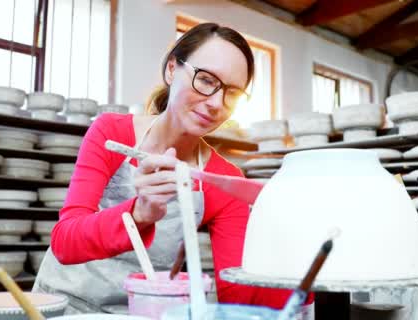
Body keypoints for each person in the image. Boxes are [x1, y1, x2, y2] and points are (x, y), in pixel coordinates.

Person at [33, 22, 297, 314]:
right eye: (207, 80)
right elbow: (65, 242)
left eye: (232, 93)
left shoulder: (223, 179)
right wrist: (137, 214)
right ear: (172, 69)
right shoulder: (111, 133)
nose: (216, 103)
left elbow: (236, 292)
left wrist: (309, 276)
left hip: (141, 312)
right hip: (60, 306)